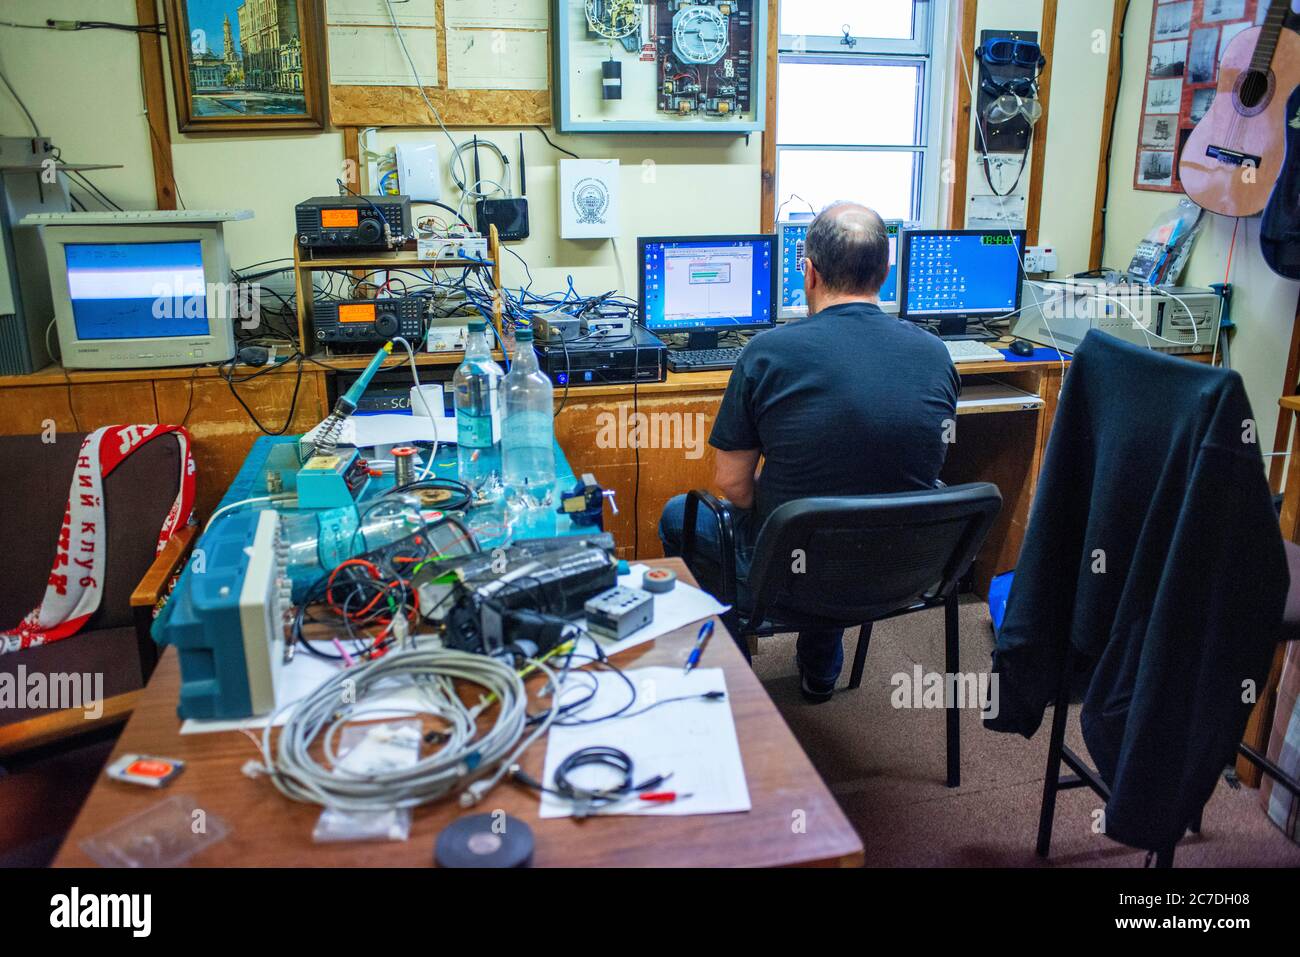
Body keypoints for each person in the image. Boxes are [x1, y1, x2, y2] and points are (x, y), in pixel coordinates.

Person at [658, 202, 960, 702]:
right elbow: (922, 463)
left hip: (795, 571)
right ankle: (821, 670)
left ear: (809, 270)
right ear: (886, 271)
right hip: (905, 570)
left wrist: (786, 500)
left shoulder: (768, 353)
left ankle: (734, 674)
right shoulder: (935, 352)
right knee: (835, 512)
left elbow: (730, 486)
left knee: (682, 517)